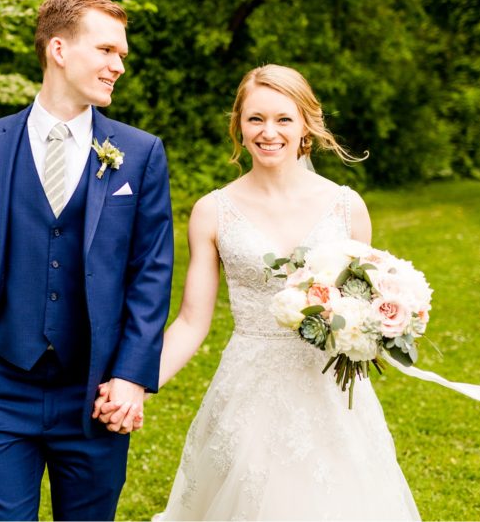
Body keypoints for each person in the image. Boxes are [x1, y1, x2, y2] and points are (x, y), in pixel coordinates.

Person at [96, 64, 419, 520]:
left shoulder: (348, 207)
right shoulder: (213, 212)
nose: (269, 132)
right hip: (249, 390)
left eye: (284, 119)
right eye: (255, 119)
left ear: (306, 124)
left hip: (331, 396)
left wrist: (379, 327)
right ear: (239, 128)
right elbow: (191, 322)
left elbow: (363, 300)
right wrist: (135, 386)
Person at [0, 0, 174, 521]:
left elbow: (150, 275)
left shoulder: (139, 154)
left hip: (95, 394)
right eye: (107, 51)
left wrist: (131, 376)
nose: (118, 66)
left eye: (121, 55)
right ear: (60, 50)